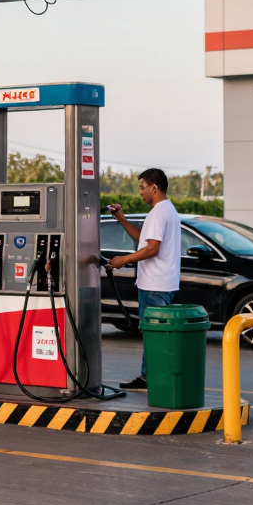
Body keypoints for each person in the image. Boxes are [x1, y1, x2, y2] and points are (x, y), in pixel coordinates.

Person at [106, 168, 181, 392]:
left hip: (155, 285)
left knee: (155, 336)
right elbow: (143, 239)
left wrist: (123, 260)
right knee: (152, 334)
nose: (140, 192)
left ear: (154, 187)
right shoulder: (167, 210)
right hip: (160, 283)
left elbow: (152, 249)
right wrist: (122, 219)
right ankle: (148, 377)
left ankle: (156, 380)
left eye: (142, 187)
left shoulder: (158, 213)